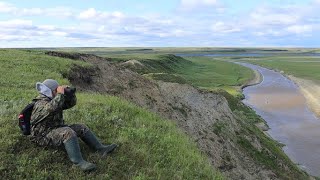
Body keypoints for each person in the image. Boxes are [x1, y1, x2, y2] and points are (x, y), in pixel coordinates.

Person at [30, 79, 117, 171]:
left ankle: (100, 149)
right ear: (51, 91)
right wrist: (60, 94)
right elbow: (51, 108)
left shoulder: (53, 100)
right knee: (67, 132)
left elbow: (70, 104)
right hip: (42, 136)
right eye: (56, 90)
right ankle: (78, 163)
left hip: (53, 129)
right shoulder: (40, 103)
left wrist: (69, 94)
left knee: (81, 127)